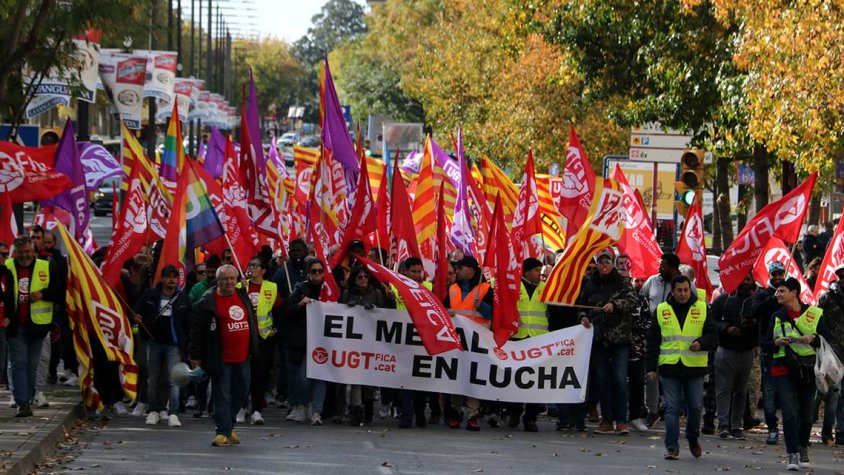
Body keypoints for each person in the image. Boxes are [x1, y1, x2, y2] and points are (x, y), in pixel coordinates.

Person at [646, 275, 717, 460]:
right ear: (673, 291)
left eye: (686, 290)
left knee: (695, 407)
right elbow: (653, 340)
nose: (683, 294)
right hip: (670, 367)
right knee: (672, 408)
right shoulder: (662, 310)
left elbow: (712, 334)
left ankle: (693, 438)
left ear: (690, 289)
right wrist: (651, 367)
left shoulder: (702, 308)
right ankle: (671, 446)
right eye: (679, 290)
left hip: (694, 367)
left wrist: (701, 343)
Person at [763, 277, 830, 470]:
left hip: (808, 371)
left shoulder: (815, 314)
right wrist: (775, 343)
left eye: (782, 291)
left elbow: (827, 338)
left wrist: (814, 338)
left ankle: (802, 448)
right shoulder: (776, 316)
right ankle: (792, 453)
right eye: (777, 291)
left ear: (794, 292)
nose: (777, 294)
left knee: (807, 415)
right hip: (782, 369)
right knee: (790, 412)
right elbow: (765, 342)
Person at [189, 264, 260, 447]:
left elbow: (251, 320)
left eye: (232, 278)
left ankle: (228, 427)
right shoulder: (208, 301)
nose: (228, 282)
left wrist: (253, 347)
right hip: (220, 358)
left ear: (236, 280)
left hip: (243, 356)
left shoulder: (242, 295)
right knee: (223, 395)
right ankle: (222, 432)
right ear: (218, 281)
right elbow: (197, 330)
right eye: (224, 279)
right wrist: (195, 355)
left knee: (241, 392)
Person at [579, 250, 638, 435]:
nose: (604, 265)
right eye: (601, 262)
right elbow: (582, 306)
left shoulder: (622, 282)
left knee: (620, 379)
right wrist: (583, 317)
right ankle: (606, 419)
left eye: (607, 262)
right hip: (599, 339)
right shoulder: (590, 284)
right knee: (602, 380)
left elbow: (632, 301)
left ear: (612, 263)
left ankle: (621, 420)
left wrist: (615, 305)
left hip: (619, 339)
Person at [5, 235, 59, 417]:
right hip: (15, 325)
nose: (24, 255)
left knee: (32, 365)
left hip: (39, 326)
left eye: (27, 251)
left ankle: (27, 398)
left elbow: (59, 291)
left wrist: (42, 294)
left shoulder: (46, 266)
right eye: (20, 252)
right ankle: (22, 402)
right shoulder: (7, 267)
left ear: (33, 251)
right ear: (15, 252)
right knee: (19, 363)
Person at [640, 253, 695, 427]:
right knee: (651, 375)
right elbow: (641, 301)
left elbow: (696, 309)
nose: (659, 269)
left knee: (676, 379)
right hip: (654, 335)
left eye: (663, 266)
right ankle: (653, 410)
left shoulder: (686, 285)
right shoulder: (652, 281)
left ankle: (673, 407)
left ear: (673, 268)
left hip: (678, 342)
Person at [135, 265, 192, 427]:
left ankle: (173, 412)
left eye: (175, 277)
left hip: (173, 345)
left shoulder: (182, 298)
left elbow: (189, 323)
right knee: (152, 379)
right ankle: (153, 410)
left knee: (173, 379)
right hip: (153, 343)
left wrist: (187, 345)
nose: (172, 280)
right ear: (162, 278)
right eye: (168, 276)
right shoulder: (151, 295)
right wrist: (138, 318)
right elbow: (136, 311)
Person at [443, 254, 493, 431]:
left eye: (461, 267)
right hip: (457, 341)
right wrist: (448, 311)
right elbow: (444, 309)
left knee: (473, 377)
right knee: (456, 376)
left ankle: (473, 414)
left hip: (477, 342)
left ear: (471, 270)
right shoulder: (453, 288)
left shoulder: (486, 289)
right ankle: (456, 412)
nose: (458, 270)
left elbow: (493, 315)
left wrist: (483, 307)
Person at [389, 256, 438, 428]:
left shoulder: (428, 288)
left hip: (420, 341)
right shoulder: (394, 287)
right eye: (413, 272)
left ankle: (419, 412)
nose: (417, 275)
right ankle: (406, 415)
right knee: (402, 379)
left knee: (419, 380)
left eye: (419, 272)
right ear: (405, 271)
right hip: (401, 341)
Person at [711, 272, 758, 440]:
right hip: (726, 351)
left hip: (747, 352)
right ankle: (723, 424)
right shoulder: (723, 300)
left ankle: (736, 425)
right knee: (723, 389)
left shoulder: (755, 303)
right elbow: (710, 320)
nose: (744, 283)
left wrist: (753, 325)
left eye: (748, 279)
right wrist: (726, 328)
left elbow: (765, 324)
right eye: (741, 279)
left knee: (741, 391)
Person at [340, 265, 387, 426]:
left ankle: (368, 410)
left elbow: (385, 315)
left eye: (366, 277)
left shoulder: (376, 294)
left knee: (368, 382)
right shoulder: (347, 294)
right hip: (353, 345)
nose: (363, 280)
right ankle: (355, 412)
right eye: (359, 277)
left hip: (371, 344)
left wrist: (375, 310)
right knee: (355, 380)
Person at [283, 258, 327, 425]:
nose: (317, 274)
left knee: (320, 377)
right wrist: (300, 303)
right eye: (313, 271)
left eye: (320, 271)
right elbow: (288, 310)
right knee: (303, 377)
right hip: (304, 340)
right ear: (308, 273)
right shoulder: (300, 288)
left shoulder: (329, 289)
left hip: (324, 341)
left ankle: (316, 412)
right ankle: (305, 403)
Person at [507, 257, 549, 432]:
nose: (539, 274)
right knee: (517, 380)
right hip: (518, 338)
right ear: (526, 272)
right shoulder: (515, 288)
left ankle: (530, 417)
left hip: (539, 340)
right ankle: (515, 412)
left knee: (536, 382)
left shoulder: (546, 289)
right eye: (535, 270)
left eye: (540, 270)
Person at [238, 256, 281, 426]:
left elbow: (278, 310)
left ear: (263, 270)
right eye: (250, 265)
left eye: (256, 266)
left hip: (263, 338)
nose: (252, 268)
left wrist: (275, 329)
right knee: (242, 374)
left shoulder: (272, 287)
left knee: (259, 374)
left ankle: (256, 410)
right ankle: (241, 407)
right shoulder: (239, 286)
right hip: (243, 336)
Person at [752, 260, 787, 445]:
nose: (778, 277)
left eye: (781, 274)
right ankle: (772, 428)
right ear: (770, 276)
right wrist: (773, 298)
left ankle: (790, 428)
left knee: (789, 392)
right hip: (769, 350)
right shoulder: (763, 294)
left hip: (789, 351)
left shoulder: (790, 294)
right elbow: (755, 311)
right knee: (769, 392)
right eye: (775, 274)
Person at [271, 238, 309, 408]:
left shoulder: (312, 270)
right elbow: (273, 298)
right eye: (293, 252)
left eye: (299, 251)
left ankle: (307, 402)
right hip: (289, 327)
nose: (296, 255)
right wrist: (291, 302)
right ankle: (290, 399)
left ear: (306, 252)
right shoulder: (281, 273)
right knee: (290, 367)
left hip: (310, 328)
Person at [817, 265, 844, 445]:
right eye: (841, 276)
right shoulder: (827, 298)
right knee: (834, 393)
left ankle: (841, 431)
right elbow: (818, 323)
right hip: (833, 352)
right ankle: (827, 430)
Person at [628, 275, 652, 432]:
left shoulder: (641, 300)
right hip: (617, 347)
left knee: (637, 381)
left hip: (636, 349)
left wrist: (634, 330)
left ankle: (636, 416)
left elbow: (648, 322)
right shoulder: (614, 297)